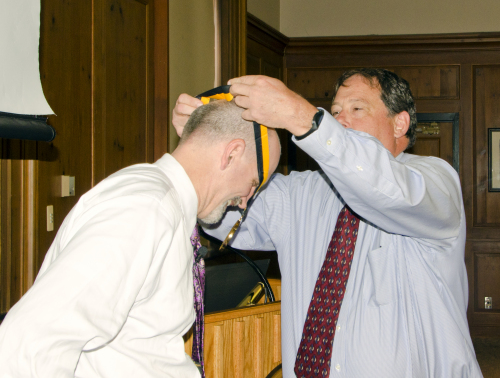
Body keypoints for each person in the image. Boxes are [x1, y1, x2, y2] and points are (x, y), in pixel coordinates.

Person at [173, 69, 483, 377]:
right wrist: (203, 148)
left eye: (357, 109)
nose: (340, 120)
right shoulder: (300, 193)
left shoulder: (433, 182)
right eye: (334, 112)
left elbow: (385, 188)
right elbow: (225, 212)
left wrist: (302, 117)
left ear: (399, 122)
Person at [0, 100, 281, 378]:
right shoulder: (147, 207)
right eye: (254, 184)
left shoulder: (163, 206)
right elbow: (29, 344)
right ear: (231, 153)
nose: (244, 203)